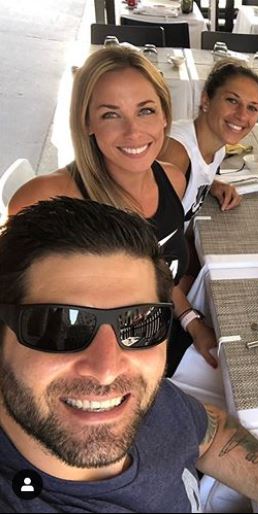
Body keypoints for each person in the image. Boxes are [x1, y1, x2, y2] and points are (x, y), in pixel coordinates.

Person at [0, 197, 258, 513]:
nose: (107, 370)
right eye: (60, 326)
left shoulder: (139, 399)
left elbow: (211, 433)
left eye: (137, 324)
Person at [8, 46, 217, 374]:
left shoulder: (173, 180)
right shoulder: (49, 198)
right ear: (87, 121)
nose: (133, 132)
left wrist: (193, 322)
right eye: (110, 114)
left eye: (145, 110)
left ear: (165, 116)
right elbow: (17, 318)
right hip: (98, 369)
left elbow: (163, 276)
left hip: (162, 343)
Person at [159, 60, 258, 230]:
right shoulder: (177, 154)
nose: (242, 115)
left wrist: (212, 185)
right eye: (232, 100)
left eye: (252, 108)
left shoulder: (218, 149)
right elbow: (146, 236)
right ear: (206, 100)